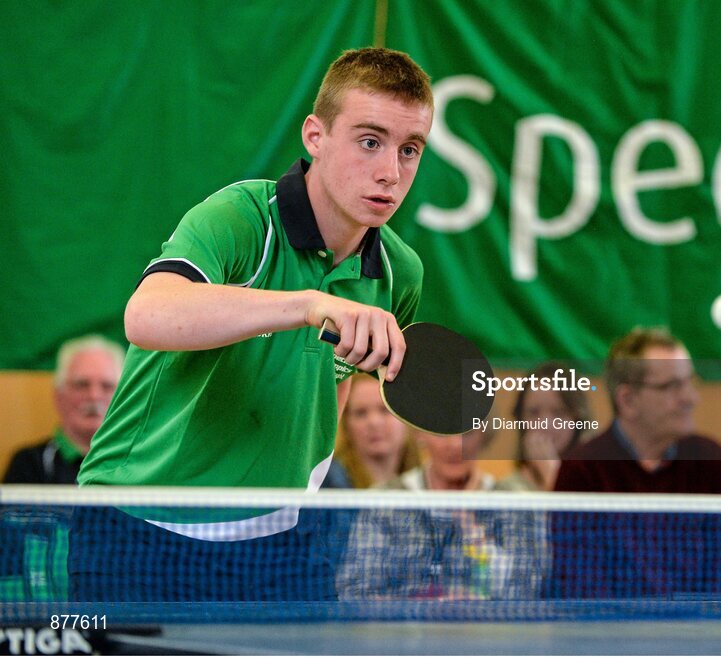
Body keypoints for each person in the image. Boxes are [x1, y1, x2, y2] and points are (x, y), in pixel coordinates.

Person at [69, 47, 435, 602]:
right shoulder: (242, 219)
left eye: (410, 150)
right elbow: (146, 315)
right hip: (137, 529)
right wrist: (307, 304)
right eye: (370, 141)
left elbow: (334, 385)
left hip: (279, 546)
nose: (390, 171)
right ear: (315, 137)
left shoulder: (397, 273)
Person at [549, 327, 721, 598]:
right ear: (628, 400)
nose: (691, 398)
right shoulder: (583, 469)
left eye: (690, 382)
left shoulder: (711, 459)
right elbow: (580, 584)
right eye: (672, 387)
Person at [337, 428, 547, 600]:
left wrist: (481, 607)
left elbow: (526, 589)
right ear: (420, 434)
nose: (455, 445)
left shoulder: (514, 504)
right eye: (443, 432)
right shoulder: (385, 501)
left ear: (483, 435)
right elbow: (356, 589)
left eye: (467, 432)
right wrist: (418, 608)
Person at [4, 336, 124, 484]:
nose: (94, 396)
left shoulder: (140, 463)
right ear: (59, 396)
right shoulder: (29, 465)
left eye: (107, 386)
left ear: (123, 399)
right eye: (82, 384)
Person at [497, 361, 594, 491]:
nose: (545, 424)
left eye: (559, 413)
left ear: (578, 418)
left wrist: (553, 476)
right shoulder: (506, 490)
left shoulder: (597, 482)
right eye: (533, 413)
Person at [323, 373, 420, 488]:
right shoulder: (327, 481)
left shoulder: (427, 479)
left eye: (385, 410)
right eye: (361, 413)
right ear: (346, 425)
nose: (374, 422)